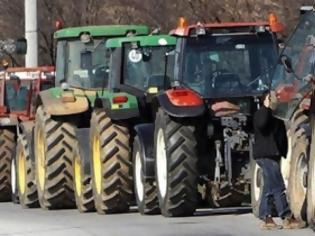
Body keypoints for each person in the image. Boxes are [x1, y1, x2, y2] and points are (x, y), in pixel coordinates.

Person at [253, 90, 306, 230]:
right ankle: (287, 217)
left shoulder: (276, 117)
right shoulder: (261, 114)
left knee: (268, 189)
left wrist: (283, 152)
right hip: (266, 156)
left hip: (273, 155)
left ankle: (267, 219)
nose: (277, 98)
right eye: (273, 97)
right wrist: (266, 107)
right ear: (266, 99)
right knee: (278, 186)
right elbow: (262, 124)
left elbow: (281, 136)